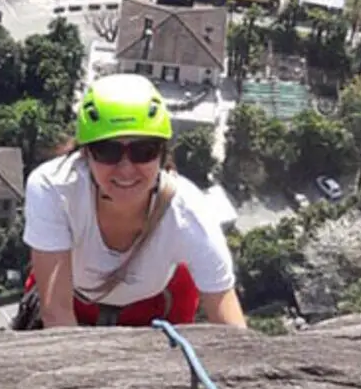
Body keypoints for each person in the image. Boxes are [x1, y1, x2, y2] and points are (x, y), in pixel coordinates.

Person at [18, 73, 247, 330]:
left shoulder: (187, 212)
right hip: (72, 298)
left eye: (143, 151)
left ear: (162, 154)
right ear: (85, 153)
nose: (126, 169)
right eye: (107, 151)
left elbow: (231, 325)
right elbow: (57, 312)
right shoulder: (54, 189)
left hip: (159, 306)